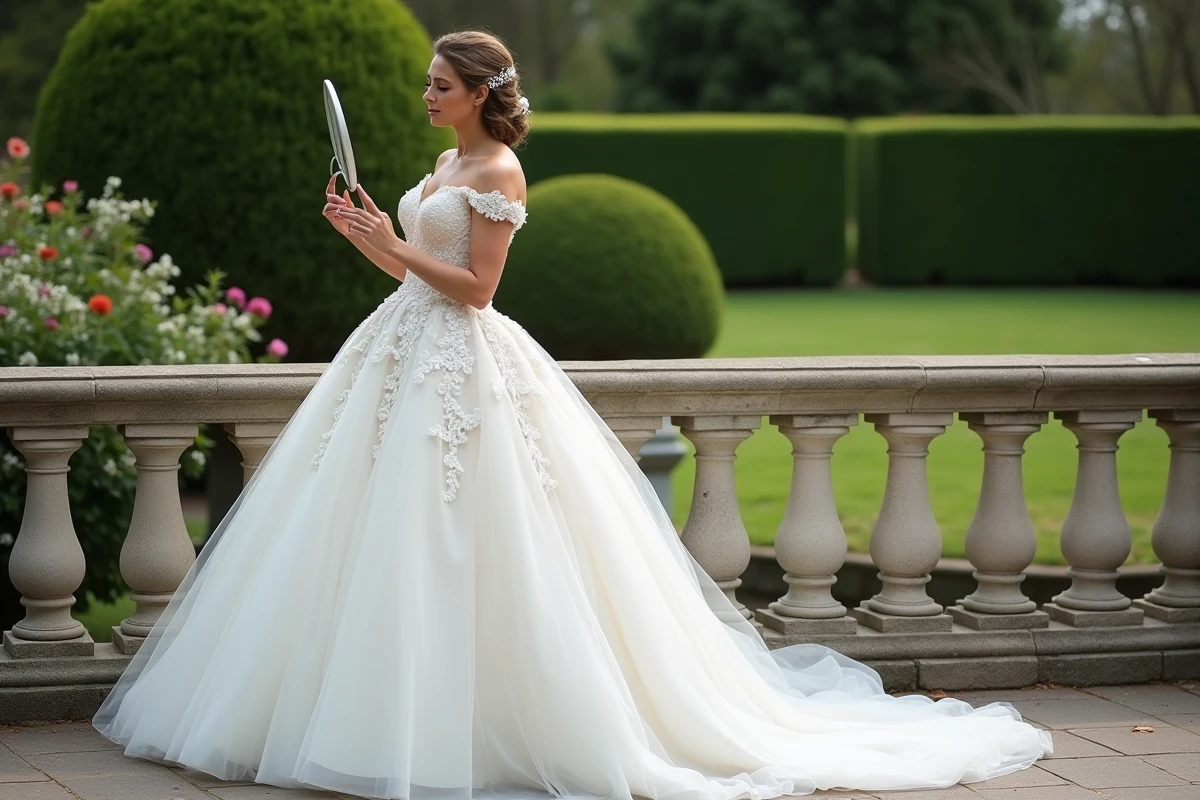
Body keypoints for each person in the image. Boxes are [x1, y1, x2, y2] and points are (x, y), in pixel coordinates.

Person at [93, 29, 1053, 800]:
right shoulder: (440, 161)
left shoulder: (501, 173)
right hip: (395, 356)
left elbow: (474, 291)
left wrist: (395, 238)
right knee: (368, 530)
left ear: (479, 92)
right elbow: (410, 273)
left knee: (468, 535)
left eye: (439, 84)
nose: (426, 95)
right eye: (429, 83)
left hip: (461, 366)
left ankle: (468, 730)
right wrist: (367, 239)